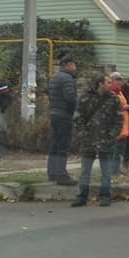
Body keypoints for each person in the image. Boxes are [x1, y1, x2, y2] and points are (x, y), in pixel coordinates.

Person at [71, 74, 123, 207]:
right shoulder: (86, 97)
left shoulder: (113, 99)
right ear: (100, 84)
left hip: (106, 140)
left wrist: (111, 135)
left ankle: (105, 195)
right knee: (85, 171)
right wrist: (83, 134)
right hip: (89, 140)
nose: (111, 85)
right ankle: (82, 196)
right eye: (108, 82)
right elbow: (78, 118)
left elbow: (118, 120)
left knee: (106, 171)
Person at [46, 55, 78, 185]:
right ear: (67, 65)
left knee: (55, 143)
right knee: (63, 145)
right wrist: (76, 108)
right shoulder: (67, 78)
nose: (75, 68)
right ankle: (61, 174)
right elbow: (70, 97)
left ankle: (52, 172)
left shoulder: (55, 77)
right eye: (74, 65)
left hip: (54, 112)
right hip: (64, 114)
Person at [109, 72, 129, 175]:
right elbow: (110, 108)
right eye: (116, 80)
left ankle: (117, 168)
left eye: (120, 80)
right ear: (111, 81)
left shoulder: (120, 92)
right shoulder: (110, 93)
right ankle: (113, 170)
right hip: (116, 125)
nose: (119, 82)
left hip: (124, 125)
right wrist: (124, 107)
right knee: (116, 149)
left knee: (121, 149)